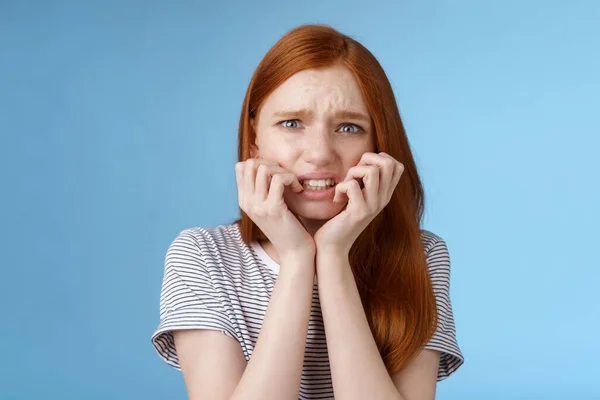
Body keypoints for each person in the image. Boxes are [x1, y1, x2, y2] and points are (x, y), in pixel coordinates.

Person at [151, 24, 464, 400]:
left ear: (379, 143)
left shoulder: (421, 256)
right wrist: (299, 258)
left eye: (349, 127)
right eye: (292, 123)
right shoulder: (202, 256)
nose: (319, 153)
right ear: (254, 141)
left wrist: (333, 256)